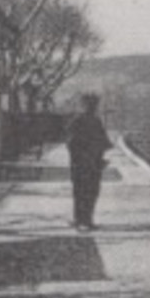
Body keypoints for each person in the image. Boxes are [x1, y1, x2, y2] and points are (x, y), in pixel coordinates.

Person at [66, 93, 113, 232]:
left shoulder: (76, 121)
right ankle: (85, 220)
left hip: (81, 164)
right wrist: (94, 155)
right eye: (93, 105)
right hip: (90, 164)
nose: (94, 107)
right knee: (90, 192)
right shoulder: (94, 121)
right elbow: (104, 142)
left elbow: (70, 143)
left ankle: (81, 219)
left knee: (80, 192)